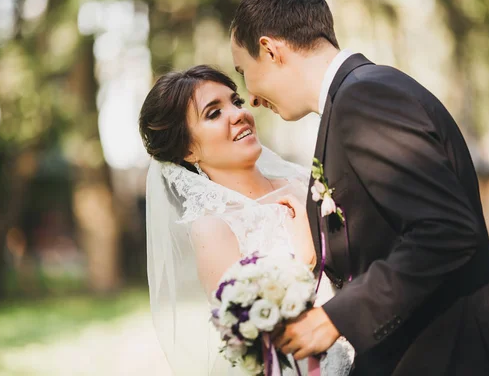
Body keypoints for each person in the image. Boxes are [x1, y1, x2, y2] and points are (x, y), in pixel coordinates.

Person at [229, 0, 489, 375]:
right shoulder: (357, 97)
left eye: (243, 73)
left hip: (456, 357)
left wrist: (334, 318)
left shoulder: (364, 98)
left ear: (270, 50)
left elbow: (444, 229)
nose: (252, 98)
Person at [139, 65, 353, 375]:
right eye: (214, 113)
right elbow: (255, 339)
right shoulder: (213, 228)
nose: (239, 114)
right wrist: (306, 260)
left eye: (235, 102)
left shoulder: (306, 182)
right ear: (187, 149)